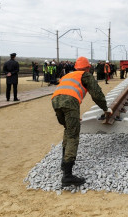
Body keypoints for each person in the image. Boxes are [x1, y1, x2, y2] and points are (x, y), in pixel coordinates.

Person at [51, 56, 113, 187]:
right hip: (69, 102)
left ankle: (64, 164)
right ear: (87, 67)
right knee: (73, 134)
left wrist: (71, 116)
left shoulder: (68, 75)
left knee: (68, 129)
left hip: (55, 101)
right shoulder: (85, 75)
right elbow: (97, 94)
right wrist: (105, 108)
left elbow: (63, 91)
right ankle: (67, 175)